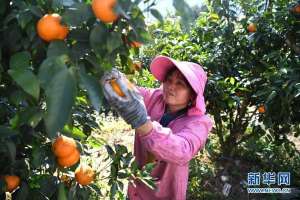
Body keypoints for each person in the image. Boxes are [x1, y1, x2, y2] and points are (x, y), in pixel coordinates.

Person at [101, 55, 213, 200]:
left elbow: (182, 150)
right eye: (168, 80)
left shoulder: (198, 122)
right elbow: (130, 92)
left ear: (192, 95)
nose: (171, 87)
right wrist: (110, 74)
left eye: (180, 84)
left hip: (165, 192)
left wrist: (143, 124)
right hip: (137, 184)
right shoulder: (156, 98)